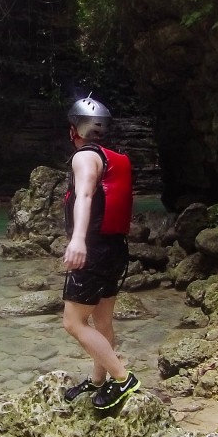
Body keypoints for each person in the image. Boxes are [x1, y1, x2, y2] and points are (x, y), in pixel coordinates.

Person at [61, 95, 140, 410]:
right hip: (115, 249)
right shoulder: (116, 157)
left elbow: (85, 195)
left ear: (74, 130)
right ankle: (98, 380)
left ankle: (123, 378)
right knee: (102, 320)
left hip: (93, 248)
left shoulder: (84, 158)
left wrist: (78, 240)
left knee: (73, 322)